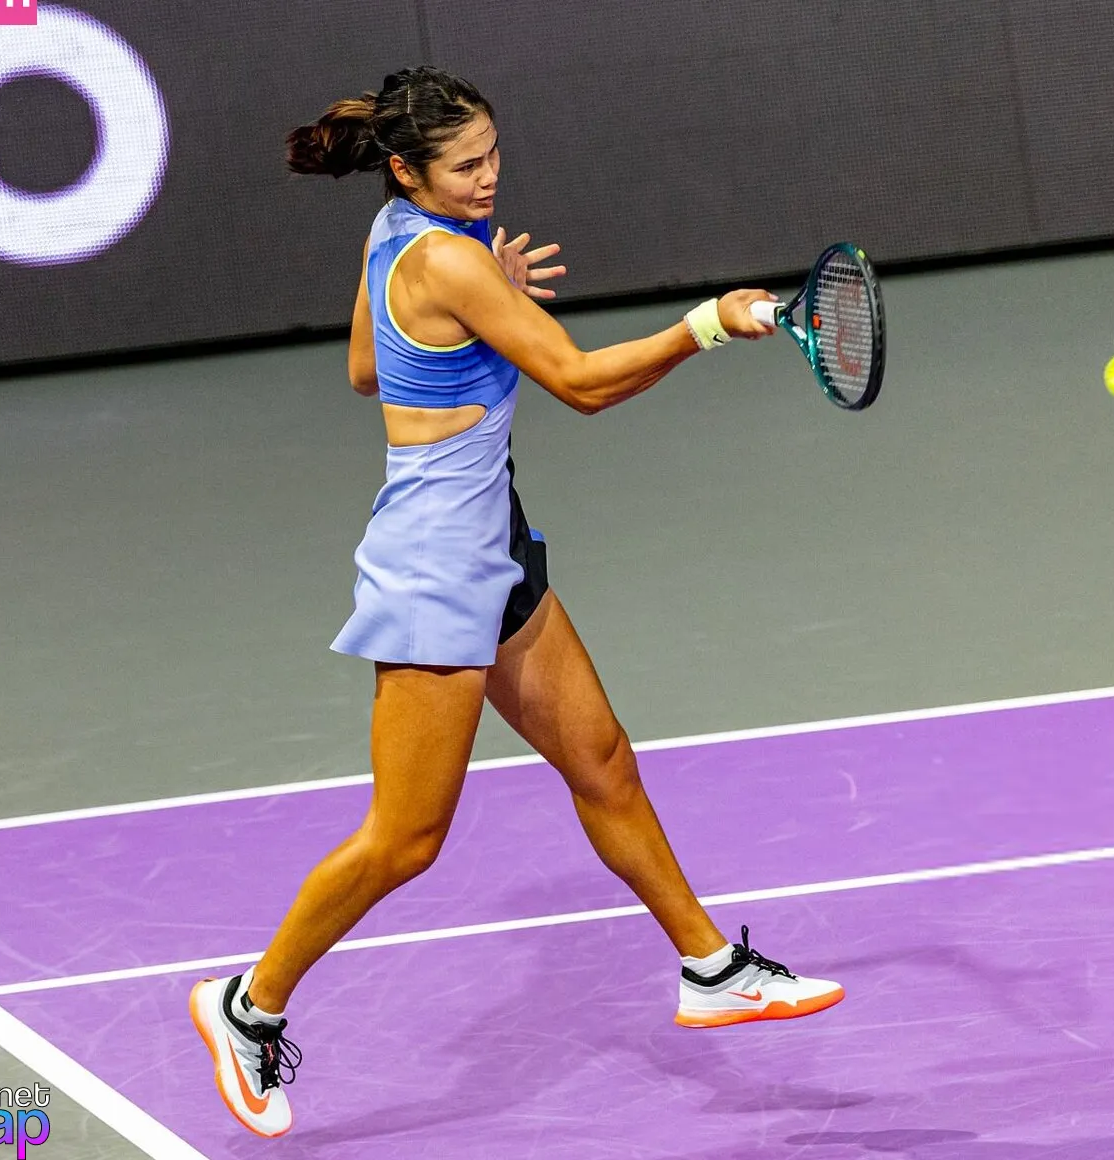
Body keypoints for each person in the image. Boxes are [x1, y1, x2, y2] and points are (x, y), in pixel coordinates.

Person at [187, 66, 844, 1138]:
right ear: (409, 170)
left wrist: (475, 310)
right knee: (406, 839)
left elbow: (366, 367)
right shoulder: (447, 256)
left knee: (602, 760)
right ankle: (246, 1005)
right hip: (438, 564)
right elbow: (580, 384)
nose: (488, 178)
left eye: (492, 153)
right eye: (465, 166)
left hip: (491, 538)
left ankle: (710, 966)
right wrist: (709, 325)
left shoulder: (404, 234)